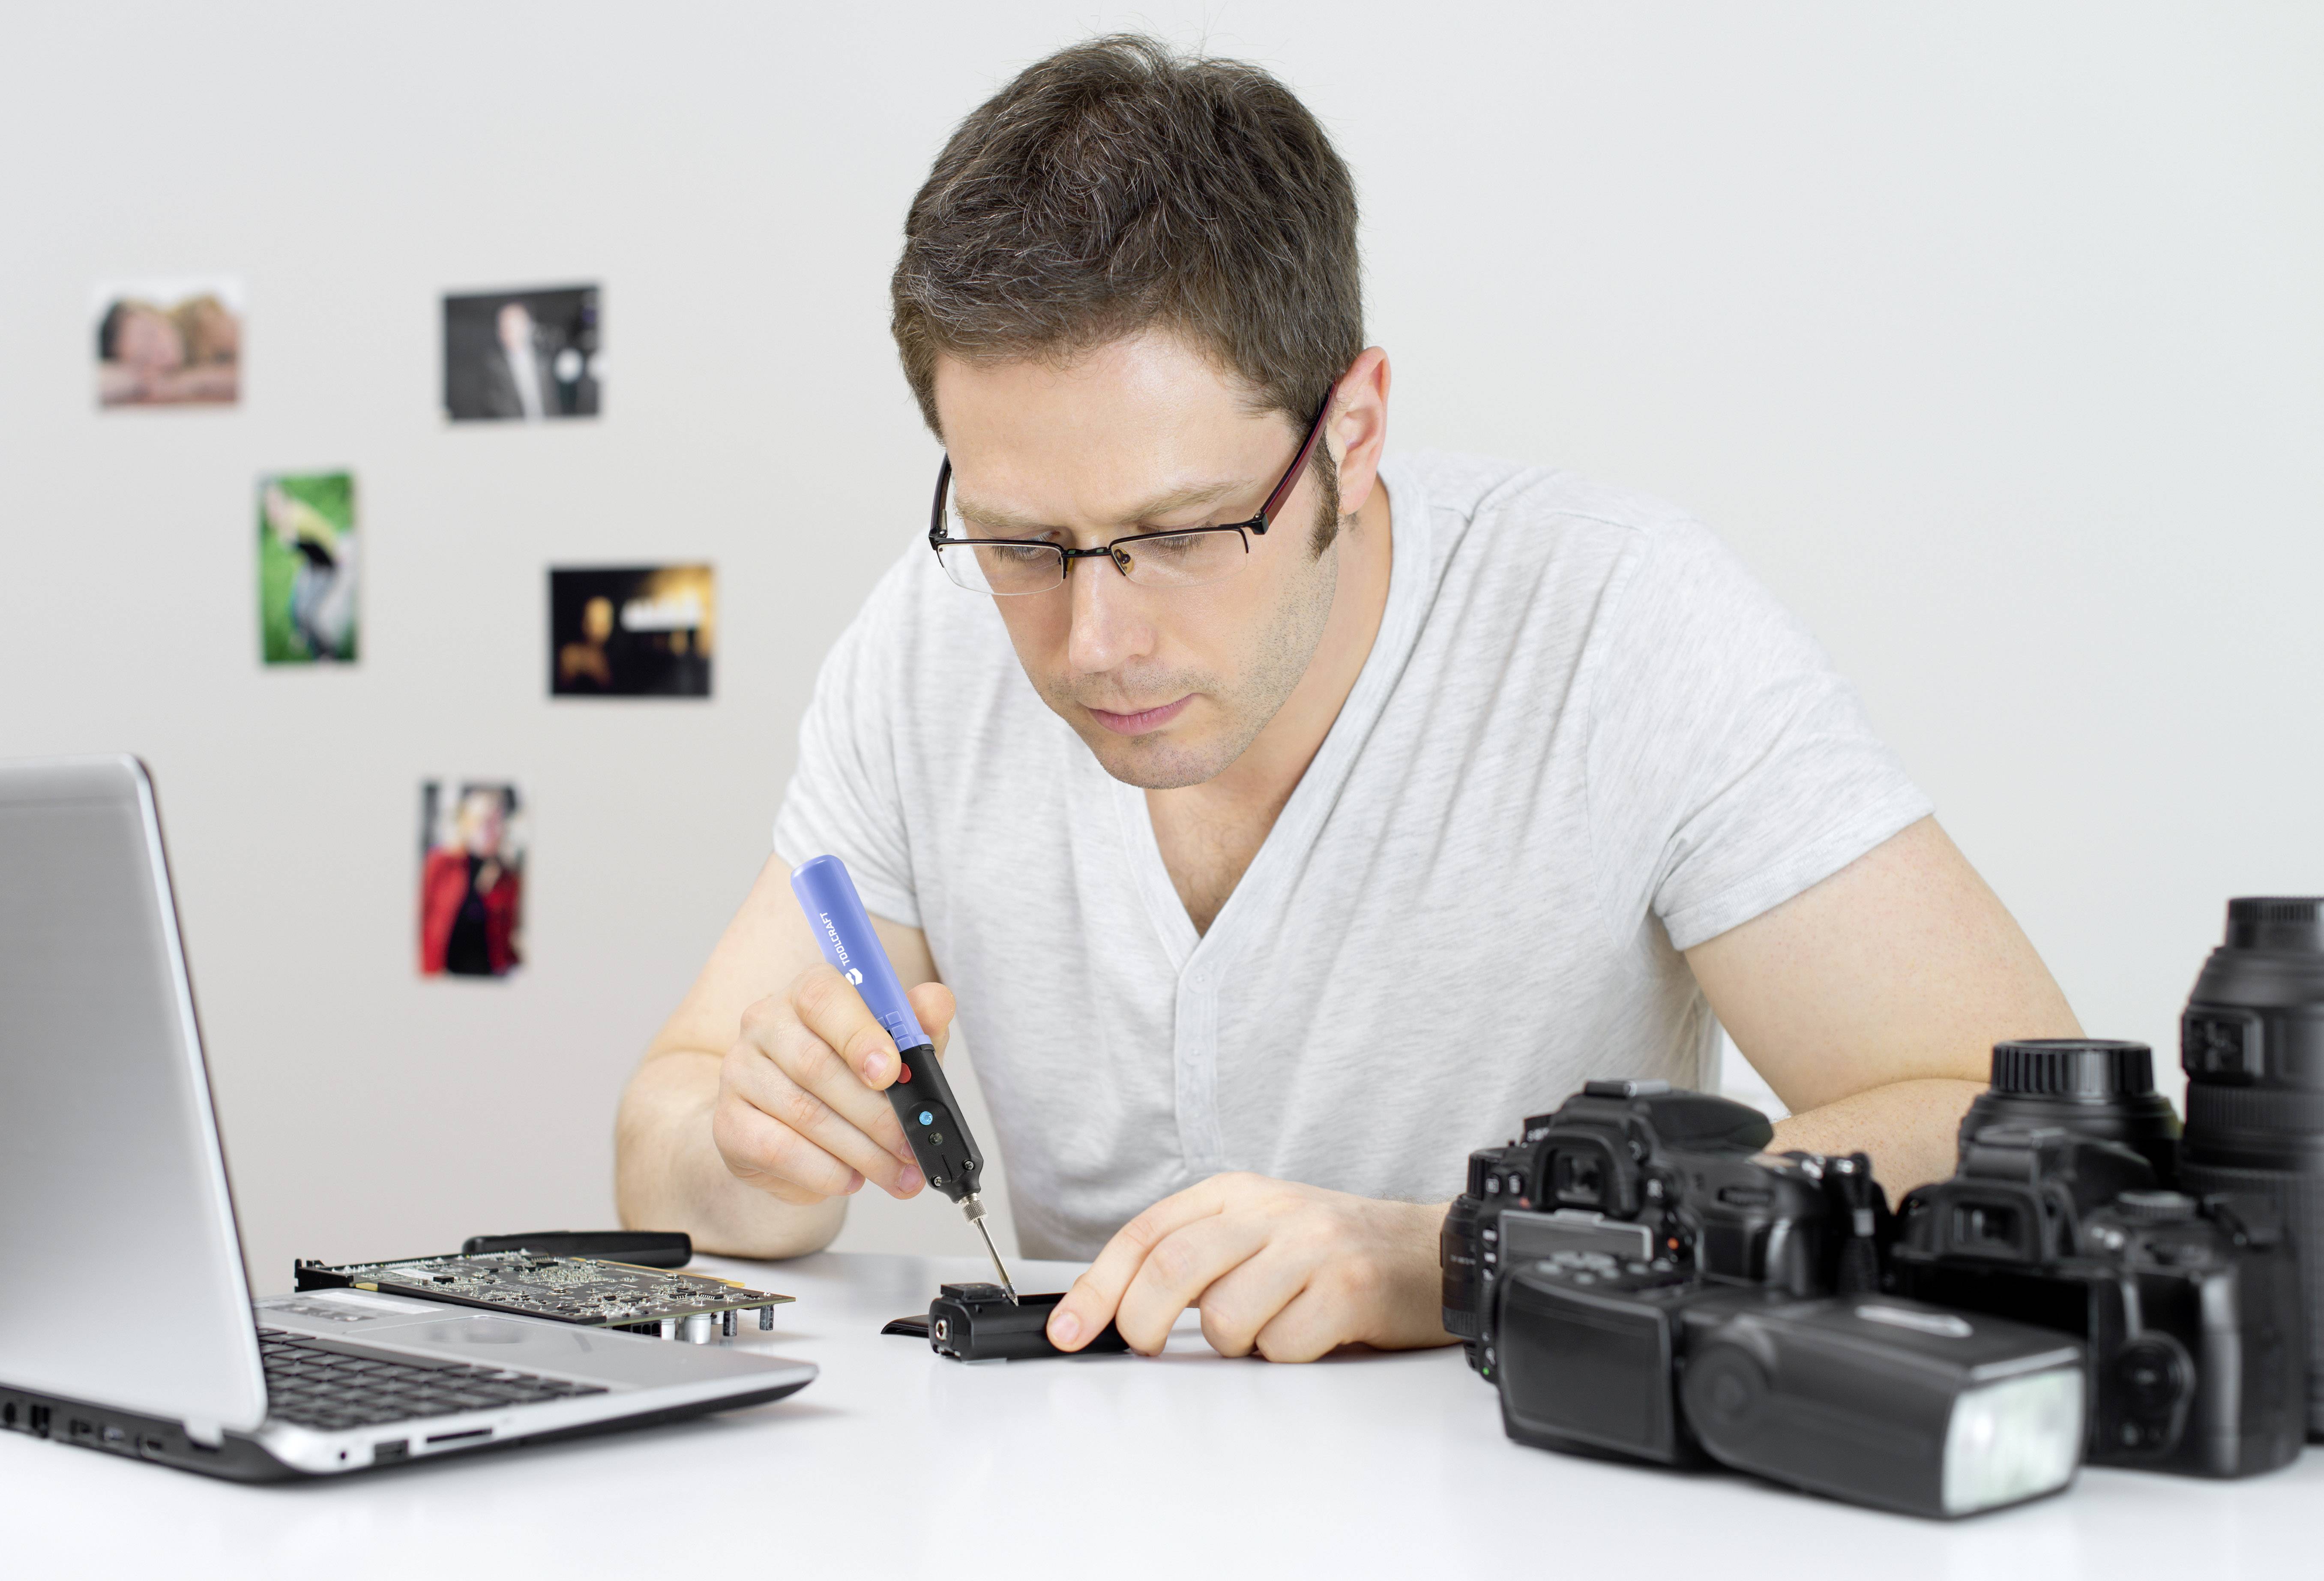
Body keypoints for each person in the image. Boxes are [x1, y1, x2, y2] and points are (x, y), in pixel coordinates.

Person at [616, 36, 2081, 1363]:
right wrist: (750, 1145)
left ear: (1353, 431)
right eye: (1020, 542)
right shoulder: (920, 644)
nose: (1094, 642)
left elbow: (2008, 1125)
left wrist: (1453, 1252)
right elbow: (662, 1133)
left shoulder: (1618, 622)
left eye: (1182, 531)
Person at [420, 787, 523, 977]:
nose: (492, 831)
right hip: (443, 971)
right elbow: (421, 919)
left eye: (496, 823)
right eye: (485, 822)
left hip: (488, 975)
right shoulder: (441, 863)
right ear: (468, 824)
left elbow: (507, 935)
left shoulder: (506, 875)